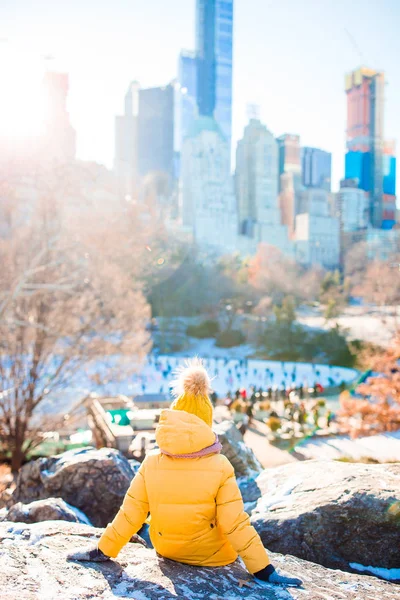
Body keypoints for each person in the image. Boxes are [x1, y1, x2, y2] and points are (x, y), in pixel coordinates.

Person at [68, 359, 302, 588]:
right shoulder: (220, 465)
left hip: (167, 549)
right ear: (206, 425)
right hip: (213, 556)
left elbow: (130, 513)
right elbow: (234, 523)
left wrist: (103, 550)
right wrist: (263, 569)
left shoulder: (151, 462)